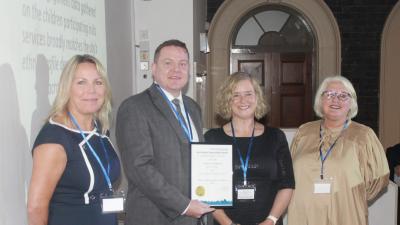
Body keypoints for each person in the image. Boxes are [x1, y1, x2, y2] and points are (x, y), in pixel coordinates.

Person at [116, 39, 214, 225]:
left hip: (195, 217)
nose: (176, 70)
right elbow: (140, 168)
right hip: (155, 217)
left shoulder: (193, 108)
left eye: (182, 64)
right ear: (154, 68)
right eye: (168, 63)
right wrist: (184, 205)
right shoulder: (134, 107)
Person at [27, 55, 121, 225]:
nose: (91, 90)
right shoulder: (54, 139)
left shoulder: (99, 129)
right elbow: (36, 207)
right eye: (81, 82)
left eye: (98, 82)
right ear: (66, 88)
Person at [287, 76, 389, 225]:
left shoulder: (364, 135)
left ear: (351, 102)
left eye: (343, 96)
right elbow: (289, 173)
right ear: (320, 100)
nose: (336, 100)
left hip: (345, 215)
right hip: (304, 216)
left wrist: (350, 197)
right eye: (330, 94)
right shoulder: (304, 131)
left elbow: (379, 179)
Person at [204, 72, 295, 225]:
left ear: (257, 98)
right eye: (236, 95)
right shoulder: (212, 138)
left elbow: (287, 184)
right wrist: (228, 223)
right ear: (228, 100)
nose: (243, 100)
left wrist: (271, 220)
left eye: (248, 94)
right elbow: (206, 189)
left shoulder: (276, 137)